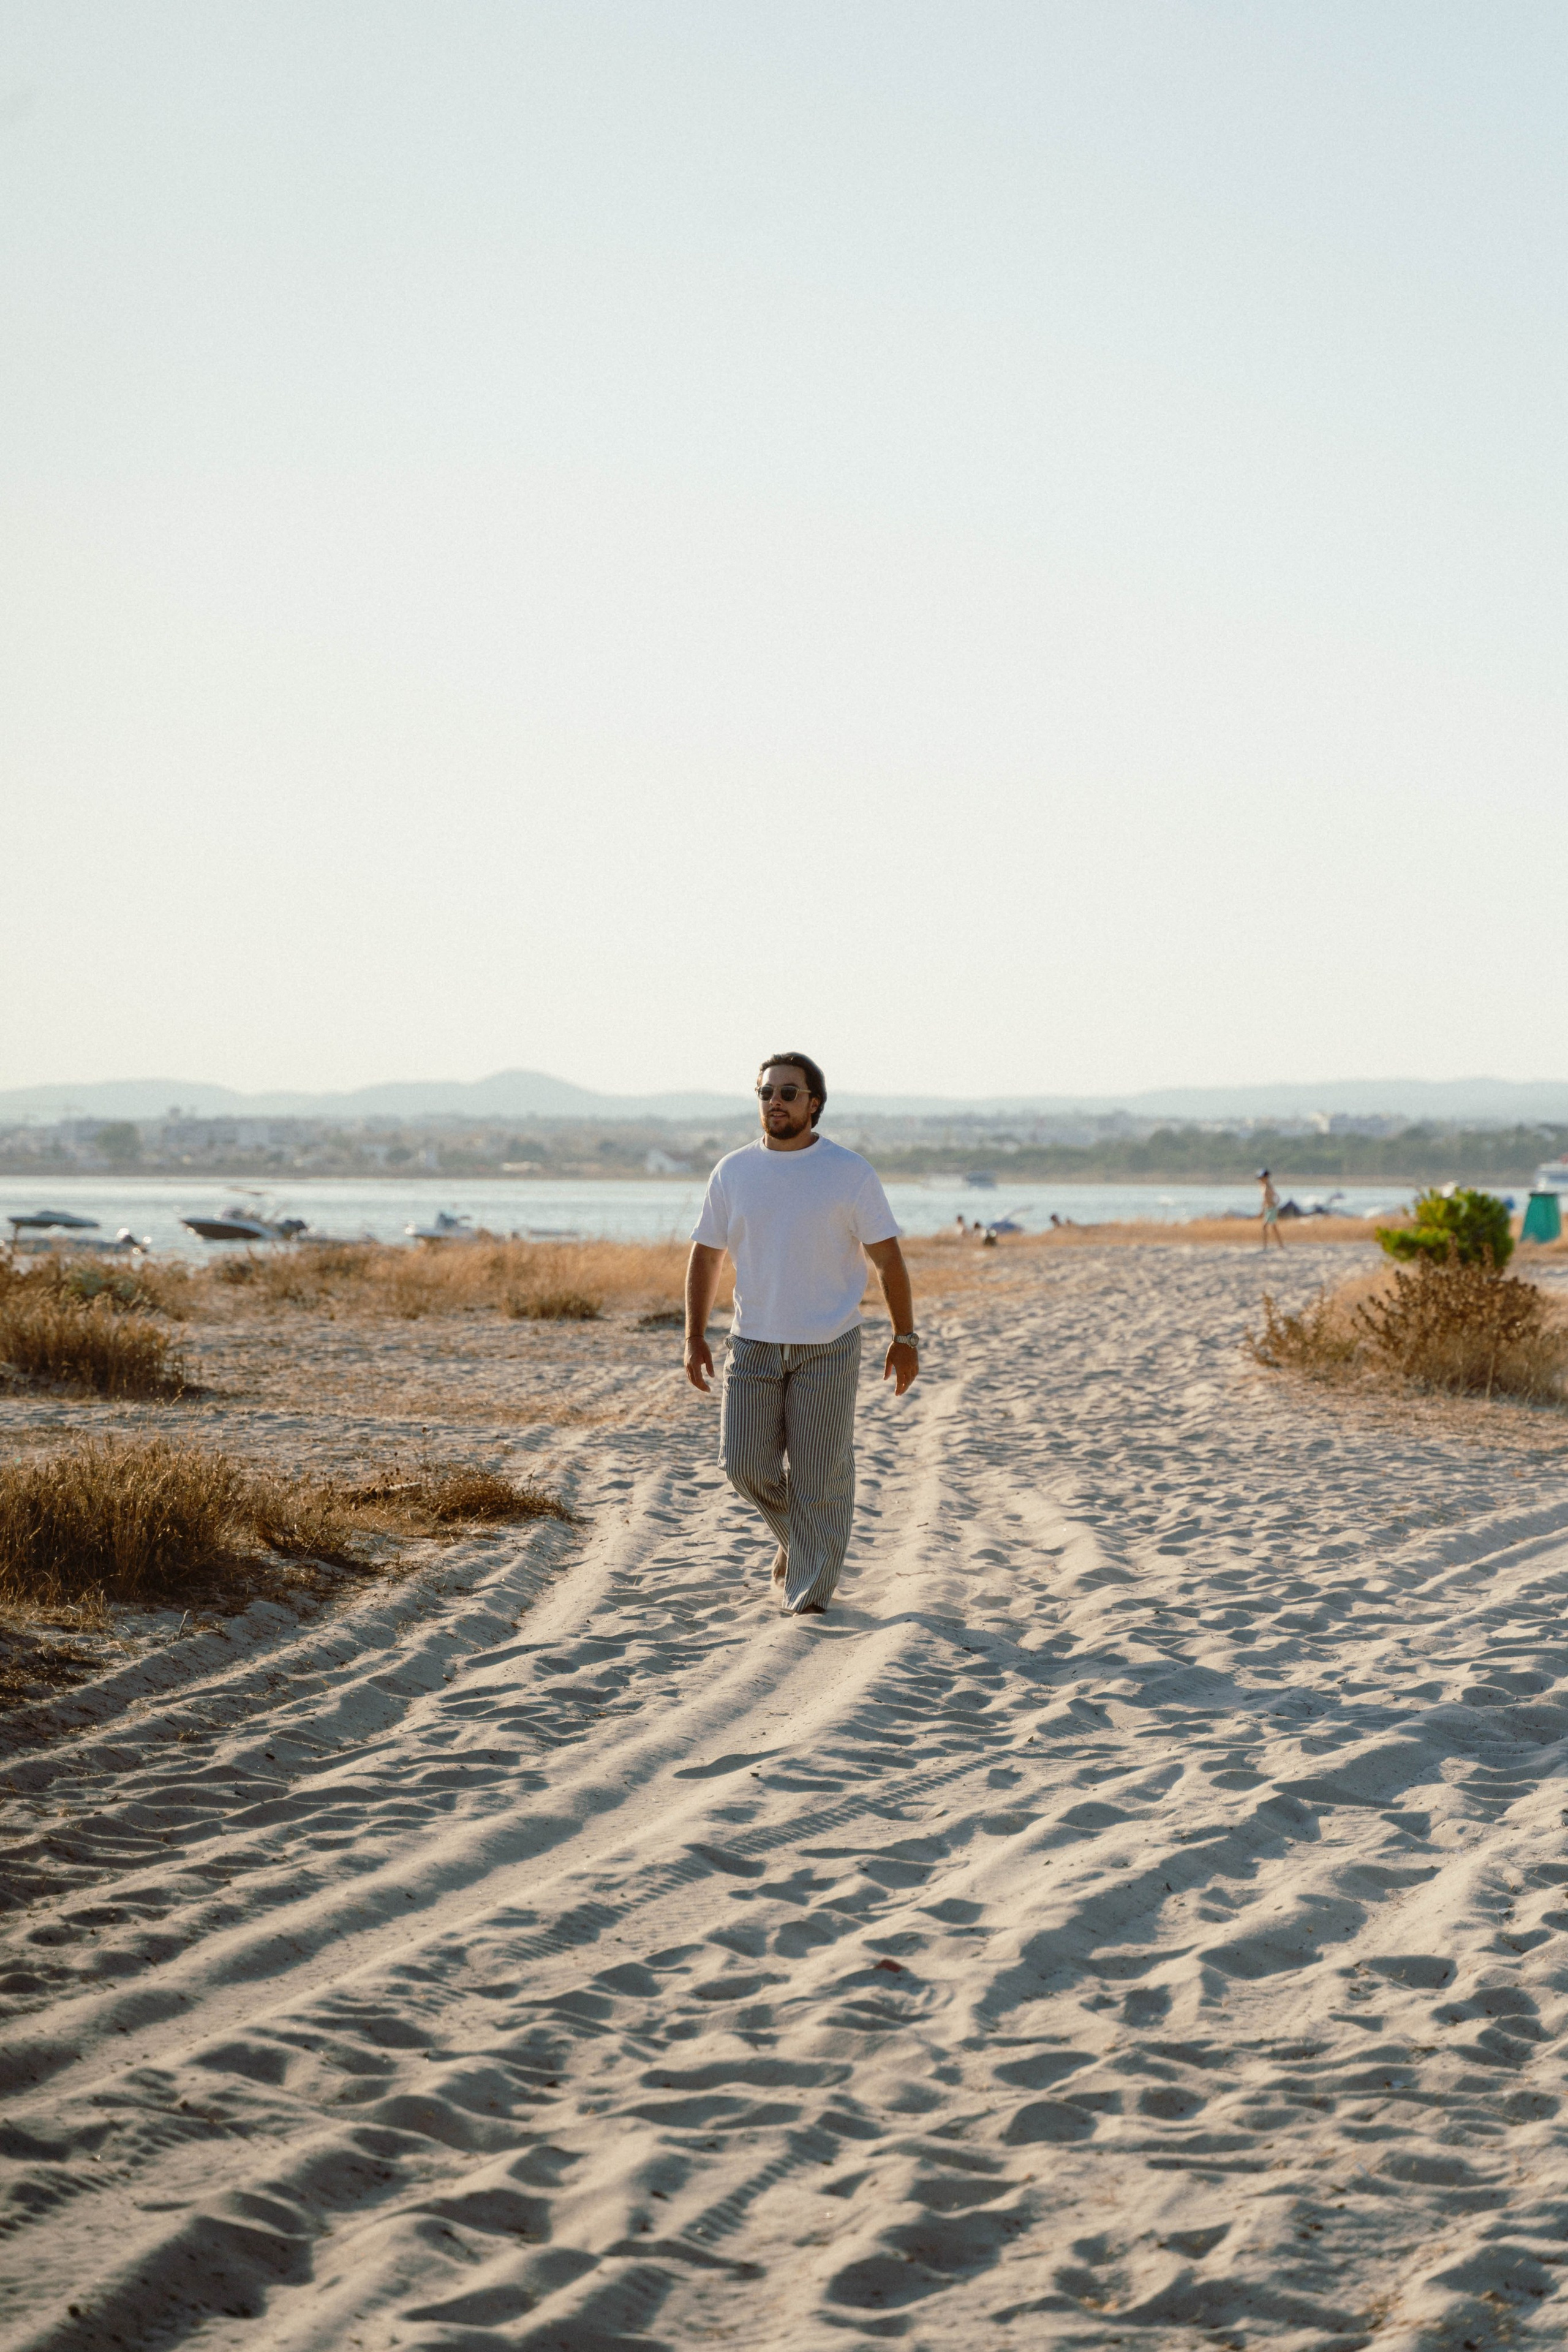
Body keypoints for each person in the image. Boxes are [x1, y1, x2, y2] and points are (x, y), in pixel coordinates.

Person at [684, 1052, 919, 1617]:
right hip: (754, 1342)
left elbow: (888, 1260)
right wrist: (694, 1336)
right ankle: (803, 1541)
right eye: (767, 1093)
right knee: (742, 1465)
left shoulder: (849, 1172)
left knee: (820, 1475)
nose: (776, 1103)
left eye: (789, 1094)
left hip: (829, 1344)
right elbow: (706, 1256)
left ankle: (809, 1596)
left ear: (815, 1103)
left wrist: (904, 1337)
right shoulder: (733, 1172)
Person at [1258, 1167, 1284, 1251]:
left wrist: (1274, 1205)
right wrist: (1263, 1208)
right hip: (1268, 1208)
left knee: (1265, 1226)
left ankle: (1265, 1246)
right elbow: (1265, 1199)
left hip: (1271, 1208)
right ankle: (1280, 1245)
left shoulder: (1269, 1187)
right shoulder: (1263, 1186)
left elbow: (1276, 1197)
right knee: (1274, 1227)